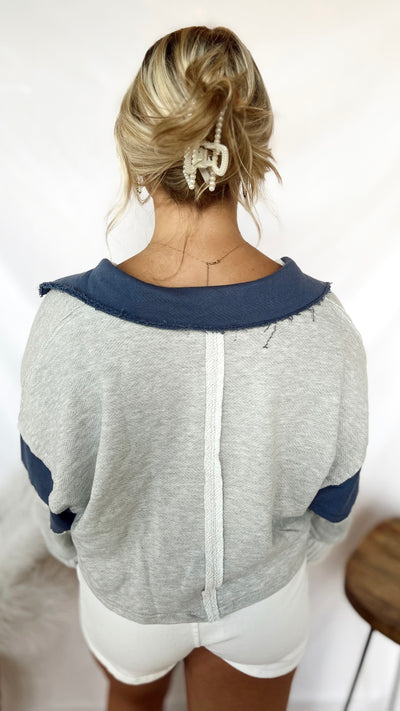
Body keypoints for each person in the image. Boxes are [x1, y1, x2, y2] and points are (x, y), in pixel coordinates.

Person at [18, 25, 369, 711]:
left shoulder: (67, 325)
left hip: (127, 606)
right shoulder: (327, 328)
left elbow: (53, 501)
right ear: (254, 148)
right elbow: (334, 503)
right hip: (263, 605)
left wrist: (106, 559)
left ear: (137, 149)